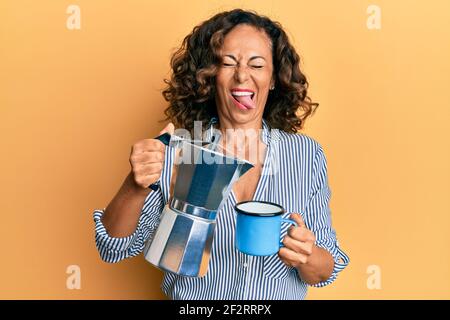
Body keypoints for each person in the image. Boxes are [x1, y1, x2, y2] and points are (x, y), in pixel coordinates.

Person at [93, 8, 349, 299]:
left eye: (257, 64)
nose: (242, 75)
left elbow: (326, 269)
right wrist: (134, 185)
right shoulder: (180, 151)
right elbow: (112, 249)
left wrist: (306, 254)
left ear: (274, 78)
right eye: (228, 63)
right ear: (211, 76)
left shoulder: (306, 155)